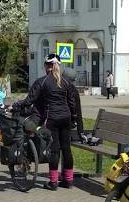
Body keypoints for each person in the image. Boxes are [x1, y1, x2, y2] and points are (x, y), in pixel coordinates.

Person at [13, 54, 84, 190]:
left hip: (53, 118)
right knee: (66, 149)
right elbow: (72, 103)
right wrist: (73, 119)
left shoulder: (42, 82)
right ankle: (68, 181)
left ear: (47, 66)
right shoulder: (65, 82)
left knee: (55, 150)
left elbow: (30, 100)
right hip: (66, 118)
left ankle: (53, 183)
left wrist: (18, 104)